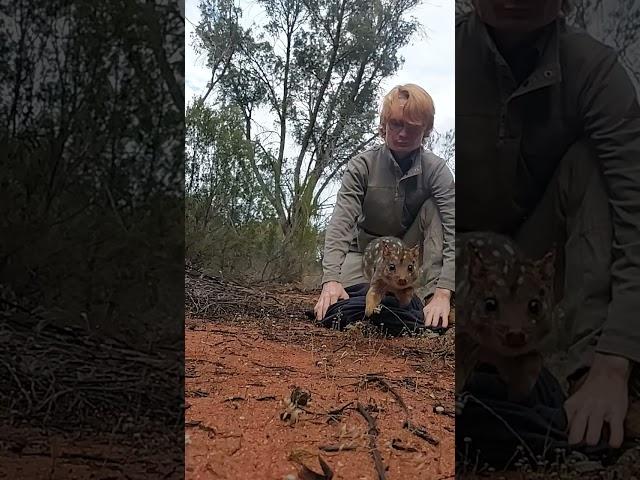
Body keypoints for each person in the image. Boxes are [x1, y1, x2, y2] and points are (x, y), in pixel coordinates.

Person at [455, 0, 640, 466]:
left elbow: (635, 216)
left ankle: (586, 384)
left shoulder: (595, 72)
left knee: (595, 165)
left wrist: (614, 363)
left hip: (534, 260)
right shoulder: (449, 50)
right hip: (454, 265)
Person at [313, 83, 455, 333]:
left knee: (435, 209)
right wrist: (331, 280)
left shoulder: (437, 171)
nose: (402, 134)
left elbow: (455, 229)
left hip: (411, 258)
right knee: (348, 301)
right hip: (365, 254)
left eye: (412, 127)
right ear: (384, 125)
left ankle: (432, 298)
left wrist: (445, 291)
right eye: (396, 124)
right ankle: (398, 301)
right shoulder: (361, 166)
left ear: (426, 129)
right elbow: (341, 222)